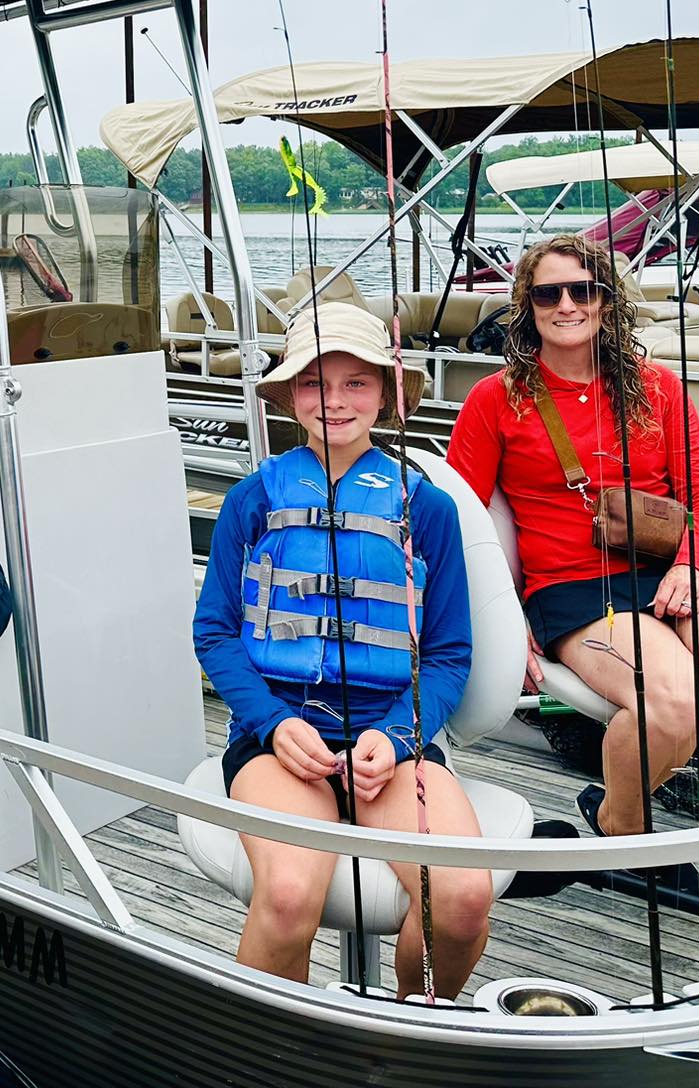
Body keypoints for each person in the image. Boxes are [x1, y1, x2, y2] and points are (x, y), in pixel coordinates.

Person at [446, 232, 699, 888]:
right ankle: (622, 821)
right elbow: (455, 518)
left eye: (582, 290)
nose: (567, 305)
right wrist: (495, 619)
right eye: (549, 293)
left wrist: (692, 567)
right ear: (528, 308)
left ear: (606, 303)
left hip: (679, 566)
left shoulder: (658, 388)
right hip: (578, 590)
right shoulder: (495, 401)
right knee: (676, 700)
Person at [194, 303, 492, 995]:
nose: (334, 401)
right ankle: (276, 1054)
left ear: (387, 395)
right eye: (313, 383)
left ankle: (416, 1022)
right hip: (278, 741)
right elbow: (213, 632)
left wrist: (396, 737)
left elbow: (448, 655)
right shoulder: (250, 499)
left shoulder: (430, 510)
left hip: (393, 740)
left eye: (357, 382)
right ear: (290, 396)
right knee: (290, 896)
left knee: (464, 899)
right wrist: (273, 723)